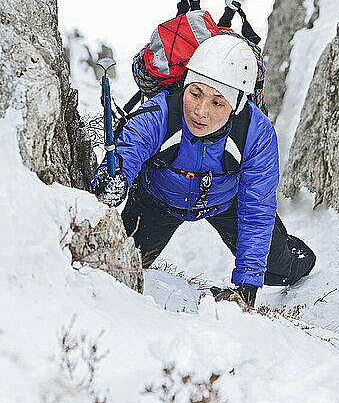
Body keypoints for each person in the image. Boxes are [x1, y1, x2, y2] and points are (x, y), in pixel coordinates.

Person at [92, 35, 316, 306]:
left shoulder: (255, 133)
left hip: (225, 202)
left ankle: (297, 256)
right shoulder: (160, 113)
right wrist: (111, 180)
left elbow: (257, 208)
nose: (200, 111)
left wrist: (247, 286)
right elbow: (129, 149)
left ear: (236, 105)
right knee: (117, 267)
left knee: (279, 271)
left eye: (217, 102)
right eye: (194, 93)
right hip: (157, 199)